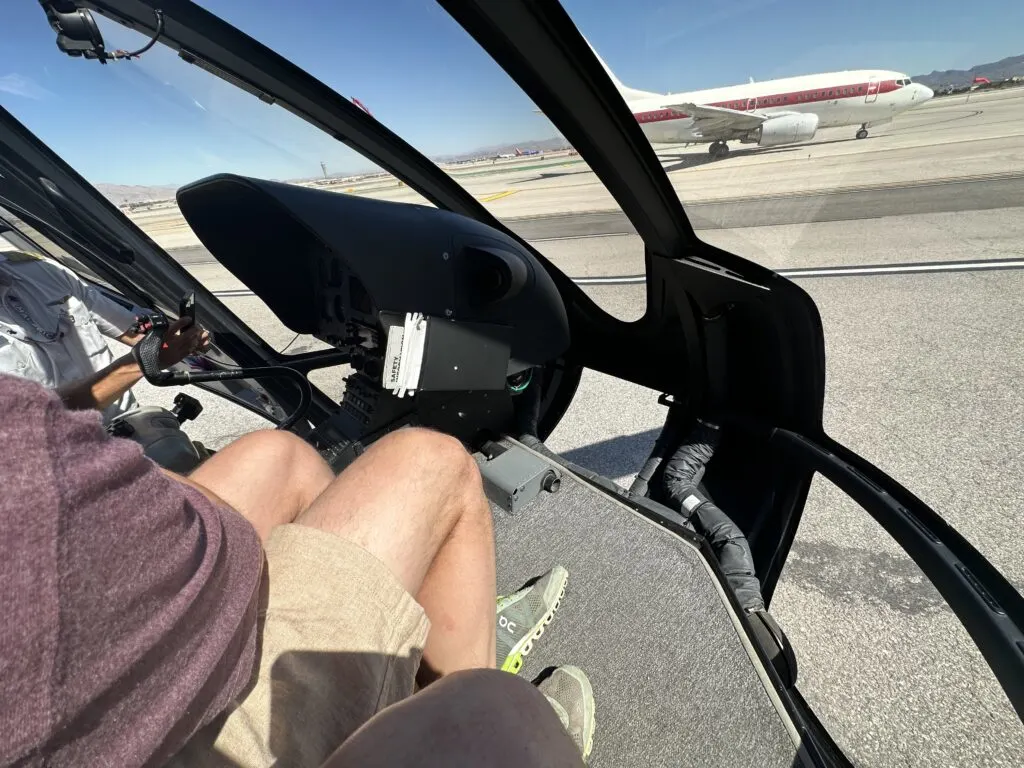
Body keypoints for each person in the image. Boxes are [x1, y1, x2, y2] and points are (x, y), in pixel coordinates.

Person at [0, 372, 596, 767]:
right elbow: (199, 563)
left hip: (70, 707)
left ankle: (409, 663)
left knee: (276, 456)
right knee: (432, 462)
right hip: (162, 738)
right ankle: (465, 703)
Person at [0, 249, 206, 422]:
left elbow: (132, 329)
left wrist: (183, 336)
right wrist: (138, 363)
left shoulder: (41, 271)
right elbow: (38, 418)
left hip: (129, 424)